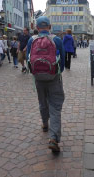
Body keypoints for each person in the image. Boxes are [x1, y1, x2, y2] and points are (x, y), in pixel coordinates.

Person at [26, 16, 65, 152]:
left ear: (37, 28)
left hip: (38, 77)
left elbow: (28, 59)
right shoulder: (57, 40)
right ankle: (53, 138)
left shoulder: (32, 40)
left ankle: (44, 123)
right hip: (53, 76)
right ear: (49, 27)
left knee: (42, 101)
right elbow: (63, 62)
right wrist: (57, 71)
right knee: (55, 106)